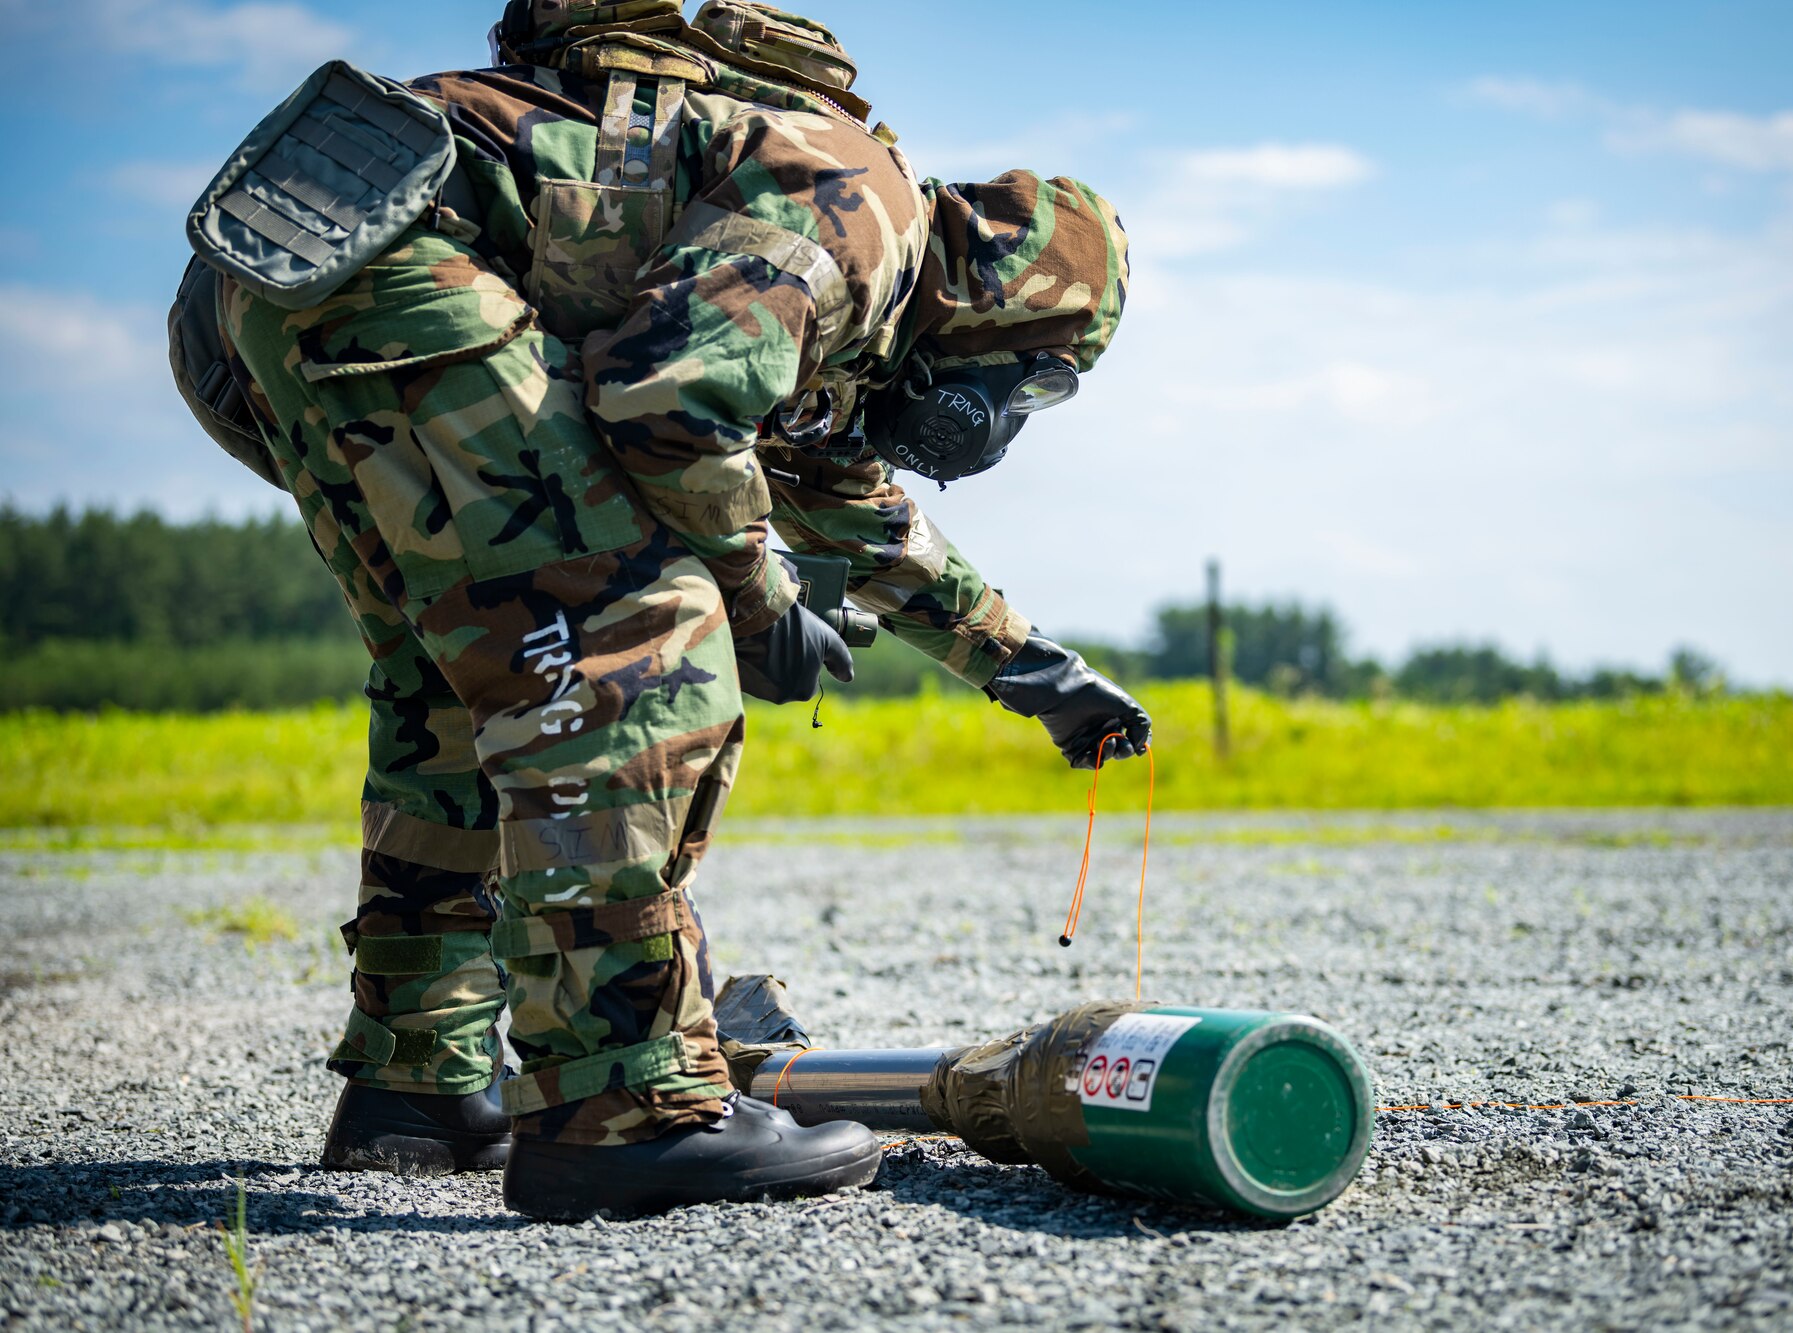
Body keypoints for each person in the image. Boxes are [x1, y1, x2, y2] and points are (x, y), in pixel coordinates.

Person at [195, 0, 1150, 1219]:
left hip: (274, 282)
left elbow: (843, 505)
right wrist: (749, 604)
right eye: (1047, 373)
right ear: (1015, 295)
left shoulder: (831, 287)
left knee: (477, 672)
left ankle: (418, 1086)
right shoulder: (870, 208)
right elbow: (668, 402)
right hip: (399, 272)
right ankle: (627, 1113)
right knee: (636, 642)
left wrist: (1027, 668)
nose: (1018, 406)